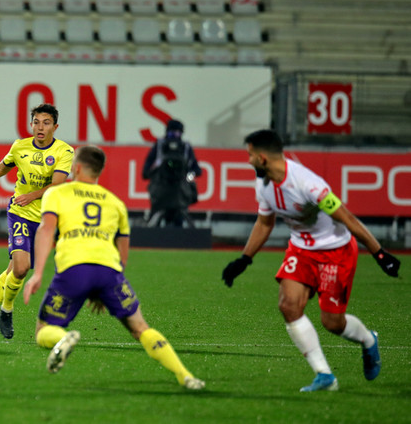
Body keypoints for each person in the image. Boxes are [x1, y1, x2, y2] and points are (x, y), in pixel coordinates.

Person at [222, 129, 400, 392]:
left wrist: (380, 253)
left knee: (333, 323)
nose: (247, 161)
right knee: (288, 306)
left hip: (335, 252)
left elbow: (347, 218)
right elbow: (264, 222)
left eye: (249, 155)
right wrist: (244, 259)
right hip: (301, 250)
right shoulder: (263, 184)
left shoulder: (309, 184)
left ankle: (368, 340)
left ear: (262, 157)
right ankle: (325, 376)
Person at [22, 145, 206, 389]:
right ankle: (185, 376)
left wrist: (38, 273)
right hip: (109, 271)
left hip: (74, 269)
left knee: (43, 330)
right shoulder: (115, 203)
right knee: (140, 328)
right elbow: (123, 253)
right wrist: (104, 287)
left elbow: (46, 231)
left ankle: (64, 338)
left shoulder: (57, 194)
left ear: (76, 167)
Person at [0, 103, 73, 341]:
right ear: (31, 125)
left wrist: (33, 195)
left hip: (47, 219)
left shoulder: (64, 151)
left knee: (16, 271)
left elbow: (58, 184)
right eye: (36, 122)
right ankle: (7, 310)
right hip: (20, 212)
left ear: (55, 127)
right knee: (19, 267)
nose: (40, 127)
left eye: (46, 123)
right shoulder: (20, 146)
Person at [141, 119, 202, 227]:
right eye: (171, 132)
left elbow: (197, 170)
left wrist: (187, 177)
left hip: (179, 192)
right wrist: (152, 174)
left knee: (178, 223)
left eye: (177, 133)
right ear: (166, 132)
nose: (174, 136)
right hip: (161, 192)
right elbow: (146, 170)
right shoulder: (159, 146)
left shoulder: (186, 148)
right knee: (155, 223)